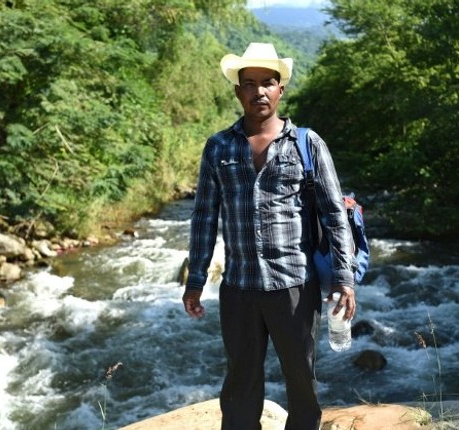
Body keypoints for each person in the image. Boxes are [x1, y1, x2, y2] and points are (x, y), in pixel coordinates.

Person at [182, 42, 356, 430]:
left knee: (302, 384)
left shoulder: (307, 144)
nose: (258, 90)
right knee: (240, 386)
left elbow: (333, 214)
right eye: (250, 83)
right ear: (238, 91)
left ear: (280, 89)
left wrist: (344, 278)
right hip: (239, 287)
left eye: (268, 82)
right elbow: (204, 217)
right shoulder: (218, 147)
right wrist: (195, 279)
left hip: (294, 284)